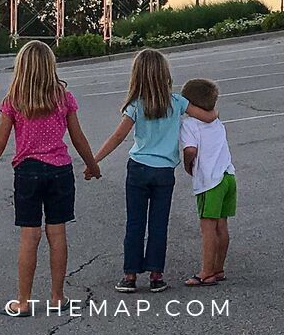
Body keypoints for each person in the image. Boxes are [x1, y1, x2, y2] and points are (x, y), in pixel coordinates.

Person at [0, 40, 101, 316]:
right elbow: (78, 137)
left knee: (29, 236)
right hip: (60, 171)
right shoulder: (63, 98)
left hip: (28, 171)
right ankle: (57, 296)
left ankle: (23, 301)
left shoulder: (14, 100)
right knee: (57, 233)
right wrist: (92, 165)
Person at [88, 48, 217, 293]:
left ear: (137, 76)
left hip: (138, 169)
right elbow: (207, 117)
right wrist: (216, 112)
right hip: (164, 172)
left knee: (135, 222)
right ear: (164, 74)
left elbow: (118, 136)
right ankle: (156, 275)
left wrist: (94, 161)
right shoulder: (177, 102)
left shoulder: (136, 105)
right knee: (159, 224)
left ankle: (130, 275)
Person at [179, 78, 236, 287]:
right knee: (222, 225)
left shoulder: (189, 124)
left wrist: (188, 164)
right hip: (228, 176)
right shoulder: (216, 120)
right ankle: (219, 268)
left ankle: (206, 272)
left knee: (208, 228)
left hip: (209, 181)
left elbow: (191, 149)